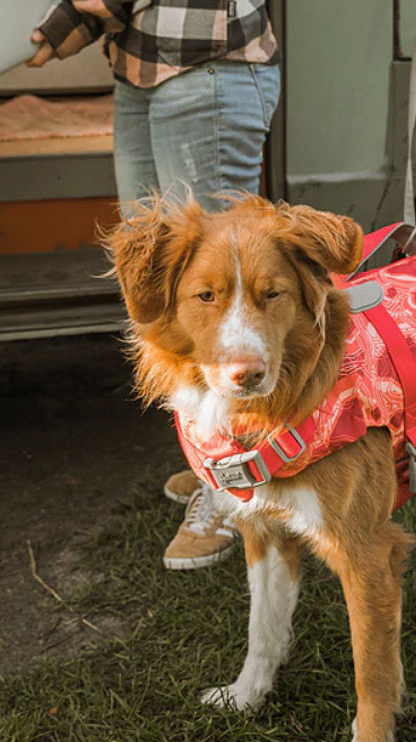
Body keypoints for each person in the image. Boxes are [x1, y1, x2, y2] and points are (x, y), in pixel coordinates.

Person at [27, 0, 280, 569]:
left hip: (207, 63)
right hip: (140, 64)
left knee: (223, 304)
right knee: (163, 289)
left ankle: (231, 495)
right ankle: (211, 461)